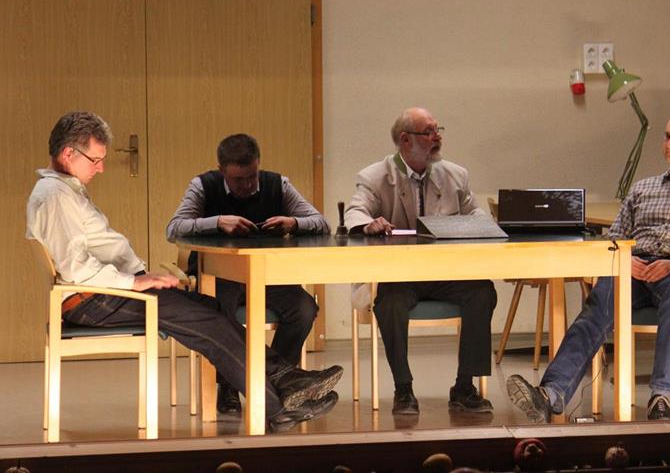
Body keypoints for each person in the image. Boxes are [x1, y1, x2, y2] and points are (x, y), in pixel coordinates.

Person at [26, 111, 343, 432]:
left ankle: (286, 381)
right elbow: (76, 268)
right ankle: (280, 403)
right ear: (69, 153)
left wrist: (139, 280)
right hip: (94, 299)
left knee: (212, 309)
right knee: (210, 322)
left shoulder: (66, 191)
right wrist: (135, 281)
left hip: (106, 293)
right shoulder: (55, 197)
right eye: (95, 160)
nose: (101, 168)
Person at [507, 107, 670, 422]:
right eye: (668, 136)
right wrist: (625, 259)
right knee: (598, 304)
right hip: (632, 267)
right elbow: (615, 236)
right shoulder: (643, 188)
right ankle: (551, 393)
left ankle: (661, 397)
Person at [344, 107, 497, 415]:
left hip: (444, 273)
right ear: (405, 140)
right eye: (429, 132)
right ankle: (403, 389)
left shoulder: (455, 174)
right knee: (390, 302)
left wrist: (482, 224)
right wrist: (368, 224)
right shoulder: (375, 176)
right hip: (400, 276)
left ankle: (464, 387)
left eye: (438, 130)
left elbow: (475, 213)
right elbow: (355, 211)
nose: (437, 137)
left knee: (482, 291)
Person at [167, 133, 328, 414]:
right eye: (238, 180)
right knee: (221, 310)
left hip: (265, 275)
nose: (247, 185)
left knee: (304, 309)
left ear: (258, 165)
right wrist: (217, 222)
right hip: (219, 276)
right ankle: (230, 384)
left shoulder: (278, 184)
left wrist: (293, 223)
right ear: (222, 171)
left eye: (252, 176)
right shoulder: (203, 185)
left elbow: (321, 222)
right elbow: (174, 228)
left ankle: (278, 381)